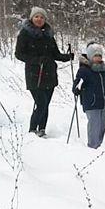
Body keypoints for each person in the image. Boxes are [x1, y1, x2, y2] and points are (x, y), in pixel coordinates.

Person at [14, 7, 74, 137]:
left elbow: (55, 54)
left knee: (46, 103)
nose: (39, 19)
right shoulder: (25, 34)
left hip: (49, 73)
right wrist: (36, 60)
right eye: (36, 17)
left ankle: (42, 129)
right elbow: (19, 54)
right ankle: (32, 130)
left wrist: (66, 57)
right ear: (31, 18)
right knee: (40, 103)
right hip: (34, 74)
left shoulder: (48, 34)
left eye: (42, 17)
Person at [73, 43, 105, 149]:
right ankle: (92, 147)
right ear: (90, 56)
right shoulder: (84, 70)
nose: (98, 58)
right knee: (94, 126)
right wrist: (78, 86)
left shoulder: (103, 70)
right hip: (91, 102)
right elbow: (76, 87)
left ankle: (97, 145)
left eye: (99, 56)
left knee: (102, 127)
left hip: (102, 102)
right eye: (95, 56)